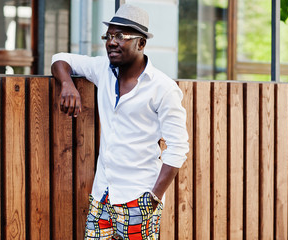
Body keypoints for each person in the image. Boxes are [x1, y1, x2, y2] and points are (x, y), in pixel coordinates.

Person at [51, 4, 189, 239]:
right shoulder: (102, 69)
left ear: (141, 43)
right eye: (109, 36)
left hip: (139, 199)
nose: (112, 42)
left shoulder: (164, 88)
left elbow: (178, 149)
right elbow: (60, 59)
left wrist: (153, 199)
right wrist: (67, 84)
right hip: (102, 196)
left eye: (121, 36)